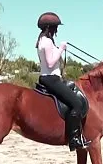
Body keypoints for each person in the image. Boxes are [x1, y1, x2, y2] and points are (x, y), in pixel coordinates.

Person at [35, 11, 91, 151]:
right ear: (49, 27)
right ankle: (74, 139)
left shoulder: (42, 40)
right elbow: (50, 63)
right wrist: (61, 48)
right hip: (51, 79)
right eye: (55, 27)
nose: (57, 30)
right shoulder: (47, 42)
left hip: (49, 78)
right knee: (77, 104)